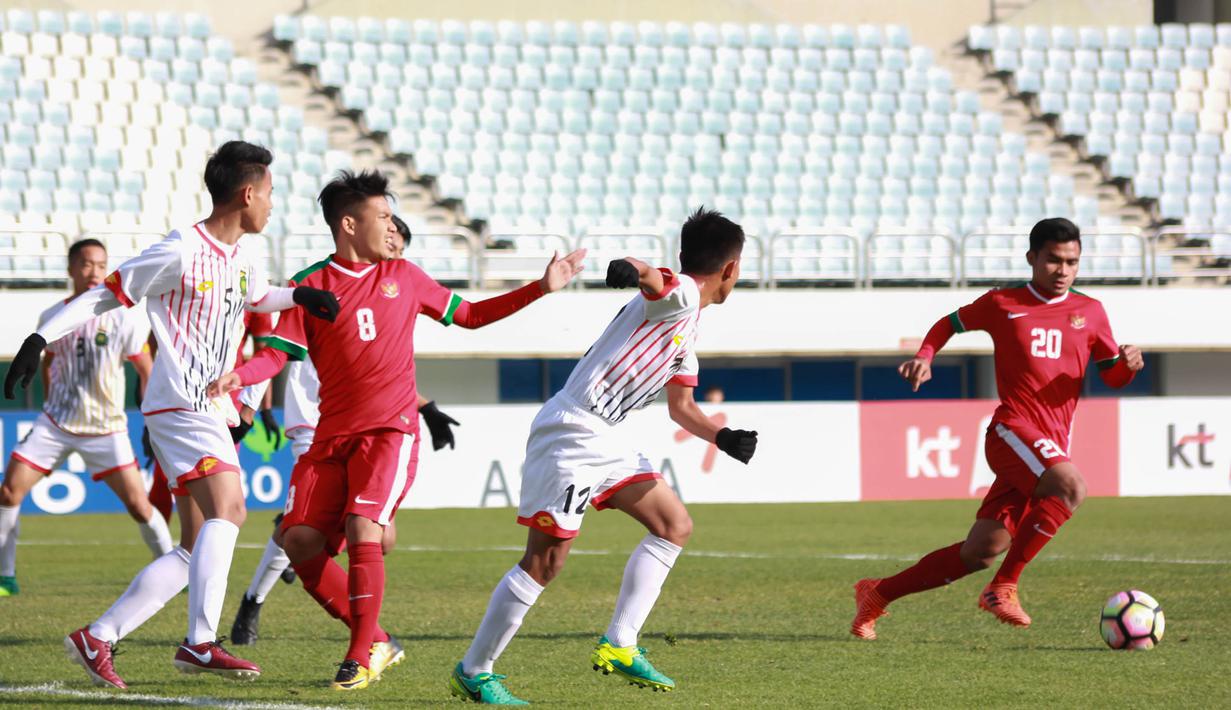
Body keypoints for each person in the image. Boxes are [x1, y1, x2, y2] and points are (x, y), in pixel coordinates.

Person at [208, 170, 585, 691]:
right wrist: (241, 376)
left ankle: (359, 654)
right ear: (349, 224)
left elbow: (471, 315)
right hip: (329, 436)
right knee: (298, 541)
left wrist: (540, 287)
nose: (391, 226)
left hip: (389, 431)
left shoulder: (405, 275)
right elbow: (276, 354)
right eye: (382, 216)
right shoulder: (308, 285)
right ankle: (378, 639)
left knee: (365, 529)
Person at [4, 141, 341, 689]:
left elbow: (259, 297)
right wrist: (40, 337)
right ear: (248, 193)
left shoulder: (243, 256)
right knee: (231, 509)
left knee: (193, 545)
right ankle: (200, 643)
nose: (273, 204)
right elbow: (107, 295)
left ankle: (98, 636)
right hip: (182, 401)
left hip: (204, 406)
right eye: (271, 193)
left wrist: (300, 298)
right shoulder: (181, 248)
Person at [449, 208, 759, 705]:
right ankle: (474, 670)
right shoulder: (681, 295)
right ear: (731, 268)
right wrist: (629, 267)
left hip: (608, 436)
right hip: (573, 431)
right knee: (544, 562)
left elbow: (682, 407)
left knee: (673, 525)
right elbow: (653, 276)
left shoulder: (686, 329)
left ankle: (620, 643)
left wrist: (721, 437)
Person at [850, 217, 1144, 639]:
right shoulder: (1003, 303)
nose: (1062, 270)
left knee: (981, 551)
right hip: (1011, 430)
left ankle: (877, 593)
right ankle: (1003, 587)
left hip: (1047, 447)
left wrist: (1128, 366)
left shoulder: (1091, 312)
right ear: (1032, 258)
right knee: (1071, 487)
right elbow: (949, 323)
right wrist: (925, 356)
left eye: (1072, 262)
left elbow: (1113, 376)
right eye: (1053, 260)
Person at [228, 215, 461, 647]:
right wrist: (248, 406)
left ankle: (316, 569)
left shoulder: (392, 290)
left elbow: (379, 379)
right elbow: (275, 352)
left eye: (400, 248)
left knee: (381, 538)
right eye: (390, 240)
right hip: (315, 424)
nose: (393, 252)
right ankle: (255, 601)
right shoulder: (320, 286)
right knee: (302, 532)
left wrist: (426, 408)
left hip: (369, 429)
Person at [0, 238, 171, 597]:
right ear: (71, 269)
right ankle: (5, 576)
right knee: (9, 491)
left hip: (106, 429)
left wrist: (151, 418)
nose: (94, 271)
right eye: (86, 264)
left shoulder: (123, 317)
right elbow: (48, 362)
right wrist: (51, 401)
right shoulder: (52, 316)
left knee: (139, 506)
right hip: (56, 424)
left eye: (101, 265)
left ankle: (172, 569)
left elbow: (145, 369)